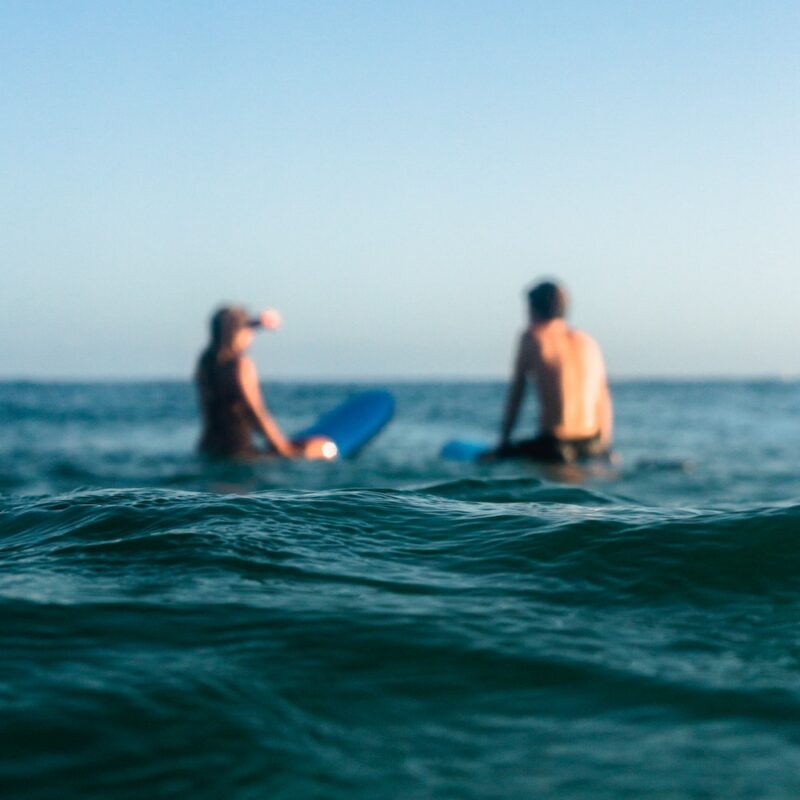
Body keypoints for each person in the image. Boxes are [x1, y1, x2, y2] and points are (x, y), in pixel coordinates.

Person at [493, 280, 613, 463]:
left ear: (533, 309)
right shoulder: (588, 342)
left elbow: (517, 392)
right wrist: (604, 447)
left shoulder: (534, 337)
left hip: (556, 445)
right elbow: (603, 398)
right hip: (593, 443)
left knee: (488, 459)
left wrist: (502, 443)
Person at [195, 306, 335, 460]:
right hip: (240, 452)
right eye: (248, 330)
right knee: (324, 447)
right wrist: (283, 448)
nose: (251, 336)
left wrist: (259, 322)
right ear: (237, 333)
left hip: (208, 448)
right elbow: (255, 411)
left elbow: (228, 327)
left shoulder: (206, 362)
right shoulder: (240, 365)